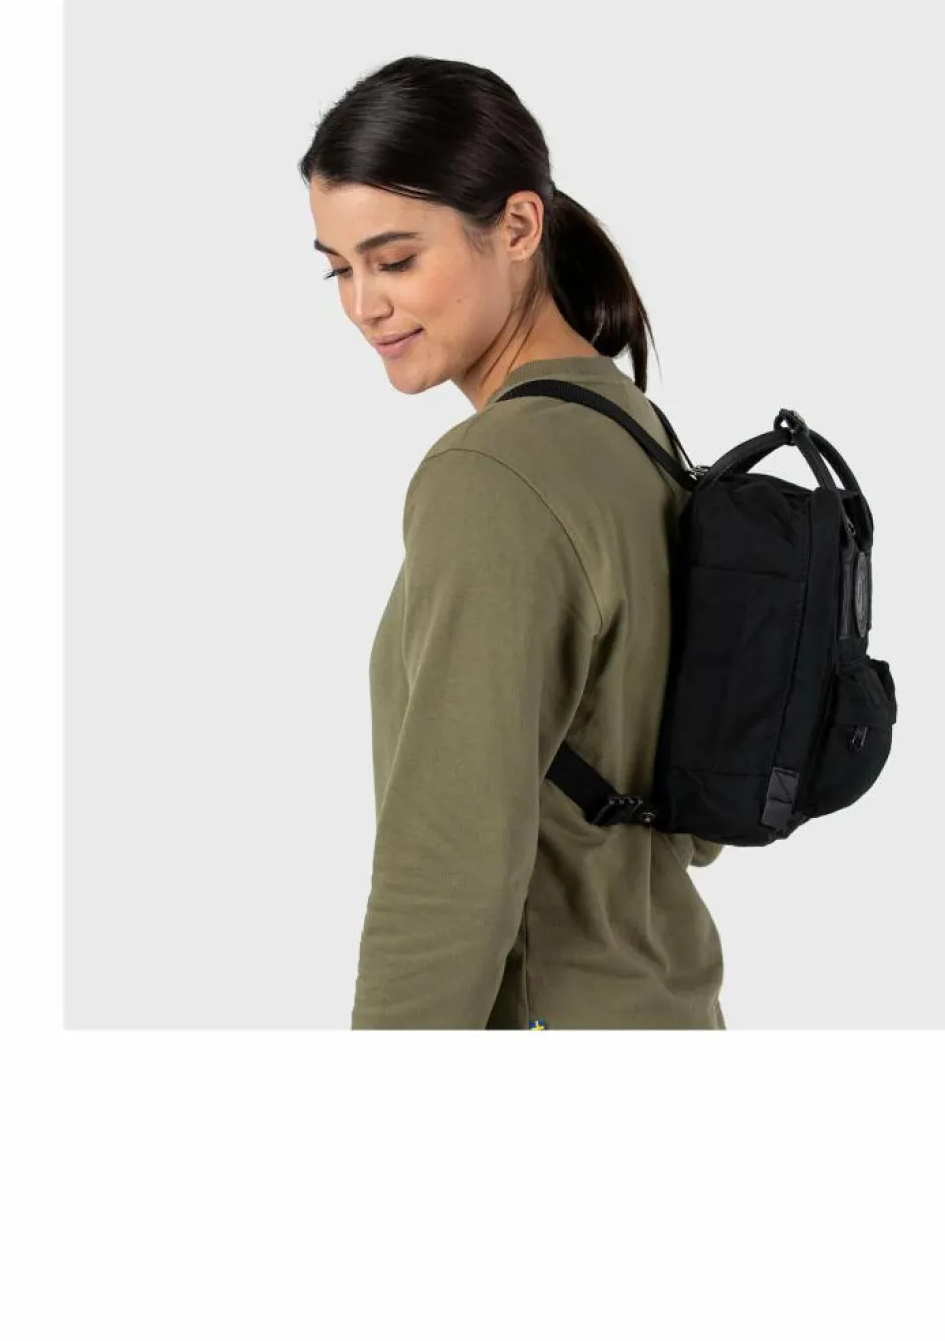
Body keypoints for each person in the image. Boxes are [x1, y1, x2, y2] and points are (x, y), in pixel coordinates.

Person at [299, 54, 725, 1029]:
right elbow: (690, 818)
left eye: (395, 260)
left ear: (519, 227)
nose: (363, 304)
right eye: (338, 268)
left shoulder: (492, 474)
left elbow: (449, 866)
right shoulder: (630, 430)